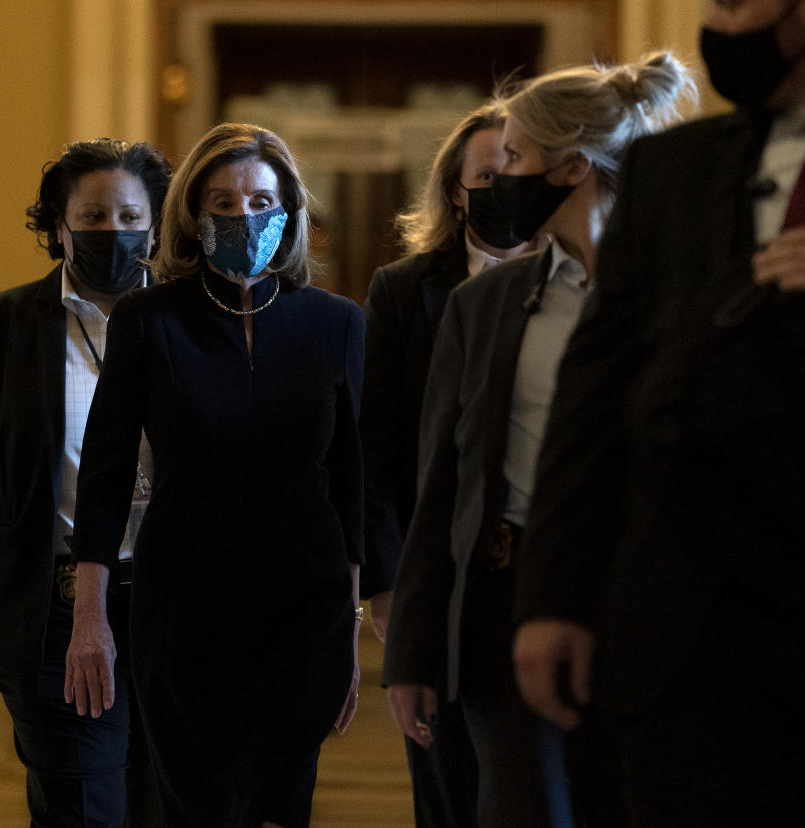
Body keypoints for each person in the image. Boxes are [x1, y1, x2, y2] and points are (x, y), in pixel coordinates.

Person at [512, 1, 805, 825]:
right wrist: (555, 597)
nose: (717, 23)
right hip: (690, 644)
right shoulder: (675, 170)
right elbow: (594, 398)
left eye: (736, 3)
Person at [384, 54, 696, 828]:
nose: (496, 182)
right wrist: (413, 652)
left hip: (651, 596)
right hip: (504, 598)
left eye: (514, 160)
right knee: (524, 809)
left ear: (574, 169)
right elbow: (443, 486)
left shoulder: (687, 286)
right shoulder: (483, 304)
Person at [65, 122, 365, 828]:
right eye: (223, 203)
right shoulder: (148, 319)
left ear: (289, 210)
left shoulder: (338, 325)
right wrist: (90, 620)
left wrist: (350, 631)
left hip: (304, 610)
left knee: (281, 807)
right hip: (182, 610)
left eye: (260, 201)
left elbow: (351, 482)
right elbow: (105, 476)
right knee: (197, 807)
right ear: (194, 218)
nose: (243, 216)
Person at [0, 138, 172, 827]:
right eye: (91, 216)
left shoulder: (187, 322)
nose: (112, 231)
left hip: (176, 610)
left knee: (165, 804)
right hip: (48, 611)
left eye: (129, 216)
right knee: (81, 807)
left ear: (157, 223)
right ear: (56, 226)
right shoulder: (2, 326)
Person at [361, 103, 529, 828]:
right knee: (447, 780)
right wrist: (387, 579)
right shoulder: (406, 290)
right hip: (440, 568)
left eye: (514, 170)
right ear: (455, 190)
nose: (501, 186)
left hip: (535, 562)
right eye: (485, 174)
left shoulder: (583, 280)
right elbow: (379, 446)